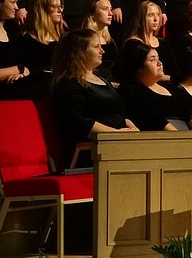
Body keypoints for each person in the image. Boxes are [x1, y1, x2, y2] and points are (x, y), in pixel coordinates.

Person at [51, 29, 139, 166]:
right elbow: (78, 122)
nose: (102, 51)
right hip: (91, 151)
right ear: (80, 52)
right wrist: (114, 134)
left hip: (117, 145)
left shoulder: (103, 80)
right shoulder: (69, 83)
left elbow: (117, 111)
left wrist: (129, 125)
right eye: (96, 47)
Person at [115, 40, 184, 131]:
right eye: (152, 60)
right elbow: (153, 118)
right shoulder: (131, 88)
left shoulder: (169, 87)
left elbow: (188, 111)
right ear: (139, 67)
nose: (159, 63)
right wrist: (179, 137)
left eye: (158, 58)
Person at [125, 1, 175, 84]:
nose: (156, 19)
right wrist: (172, 78)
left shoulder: (162, 42)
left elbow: (173, 68)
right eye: (151, 15)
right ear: (141, 18)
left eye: (158, 14)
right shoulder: (133, 44)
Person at [20, 0, 66, 75]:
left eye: (60, 6)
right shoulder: (27, 40)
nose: (60, 11)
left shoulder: (64, 35)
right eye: (54, 7)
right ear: (41, 10)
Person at [81, 0, 119, 81]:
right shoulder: (84, 39)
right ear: (92, 14)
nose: (111, 13)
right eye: (105, 9)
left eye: (111, 9)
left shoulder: (110, 40)